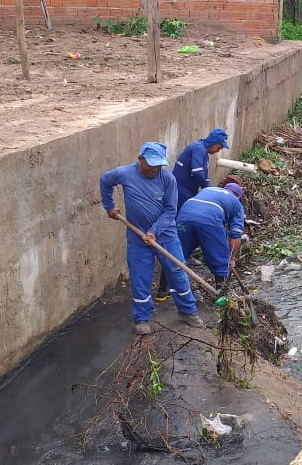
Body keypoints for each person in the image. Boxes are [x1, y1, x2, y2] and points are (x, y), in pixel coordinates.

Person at [99, 141, 202, 335]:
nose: (155, 169)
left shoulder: (168, 179)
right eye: (151, 164)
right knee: (140, 277)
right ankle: (142, 319)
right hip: (137, 236)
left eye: (159, 165)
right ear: (140, 159)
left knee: (177, 271)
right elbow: (105, 180)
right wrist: (109, 206)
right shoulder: (124, 174)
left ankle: (188, 312)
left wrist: (155, 230)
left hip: (166, 235)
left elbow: (171, 210)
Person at [155, 127, 230, 300]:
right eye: (219, 146)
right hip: (181, 192)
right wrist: (209, 189)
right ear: (212, 142)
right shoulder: (198, 149)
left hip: (187, 192)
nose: (218, 150)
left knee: (184, 231)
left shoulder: (201, 150)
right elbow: (197, 172)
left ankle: (182, 257)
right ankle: (166, 284)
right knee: (180, 230)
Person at [176, 182, 246, 292]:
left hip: (185, 213)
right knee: (221, 259)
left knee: (176, 254)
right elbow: (236, 235)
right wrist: (231, 259)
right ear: (238, 196)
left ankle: (163, 291)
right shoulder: (237, 203)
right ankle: (222, 295)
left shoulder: (209, 190)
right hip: (209, 218)